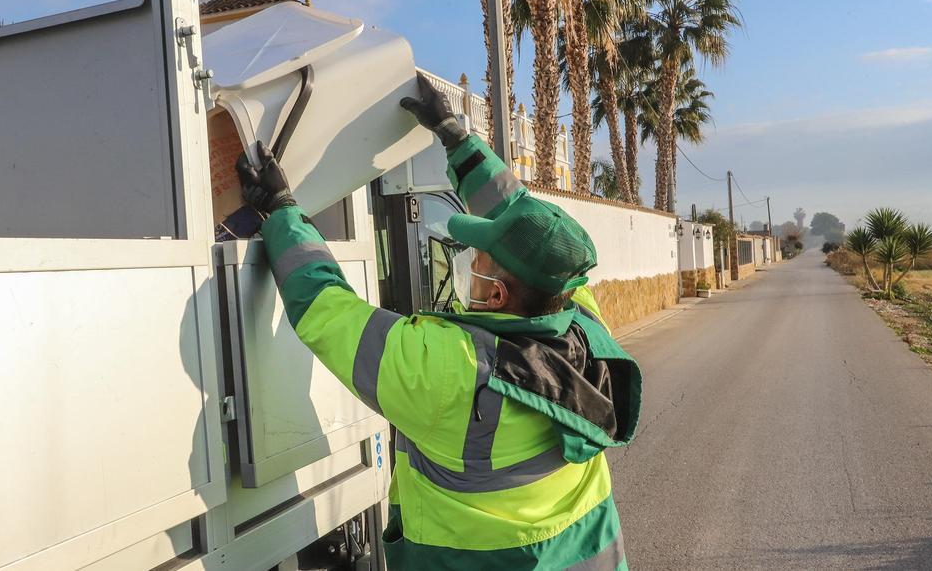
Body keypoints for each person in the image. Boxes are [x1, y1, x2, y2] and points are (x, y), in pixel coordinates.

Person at [235, 74, 641, 570]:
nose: (469, 258)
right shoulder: (582, 323)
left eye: (479, 256)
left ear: (495, 294)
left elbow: (327, 309)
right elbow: (525, 220)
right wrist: (457, 138)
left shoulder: (451, 367)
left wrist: (281, 213)